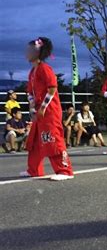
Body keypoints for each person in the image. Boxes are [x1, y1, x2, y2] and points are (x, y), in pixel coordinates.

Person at [21, 37, 74, 181]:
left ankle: (65, 170)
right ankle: (34, 170)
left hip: (49, 111)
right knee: (35, 141)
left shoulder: (45, 68)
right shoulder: (32, 72)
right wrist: (32, 106)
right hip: (39, 111)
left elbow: (52, 89)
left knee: (52, 139)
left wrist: (42, 107)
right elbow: (29, 92)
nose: (27, 53)